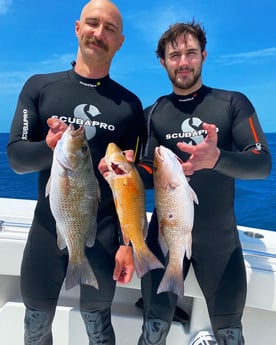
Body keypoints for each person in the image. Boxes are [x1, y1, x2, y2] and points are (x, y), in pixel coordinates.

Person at [7, 1, 146, 344]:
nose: (99, 33)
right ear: (77, 28)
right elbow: (17, 159)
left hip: (102, 233)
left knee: (98, 325)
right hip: (47, 229)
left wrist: (128, 243)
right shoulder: (40, 87)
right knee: (36, 324)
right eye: (93, 23)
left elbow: (138, 180)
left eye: (109, 28)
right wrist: (48, 147)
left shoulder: (130, 105)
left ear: (120, 41)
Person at [136, 20, 272, 345]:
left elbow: (262, 162)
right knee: (152, 329)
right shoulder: (152, 114)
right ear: (163, 62)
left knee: (230, 333)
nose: (183, 62)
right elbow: (143, 175)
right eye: (174, 55)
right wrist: (122, 173)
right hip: (164, 236)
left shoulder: (232, 104)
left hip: (219, 241)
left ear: (204, 56)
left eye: (190, 53)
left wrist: (217, 159)